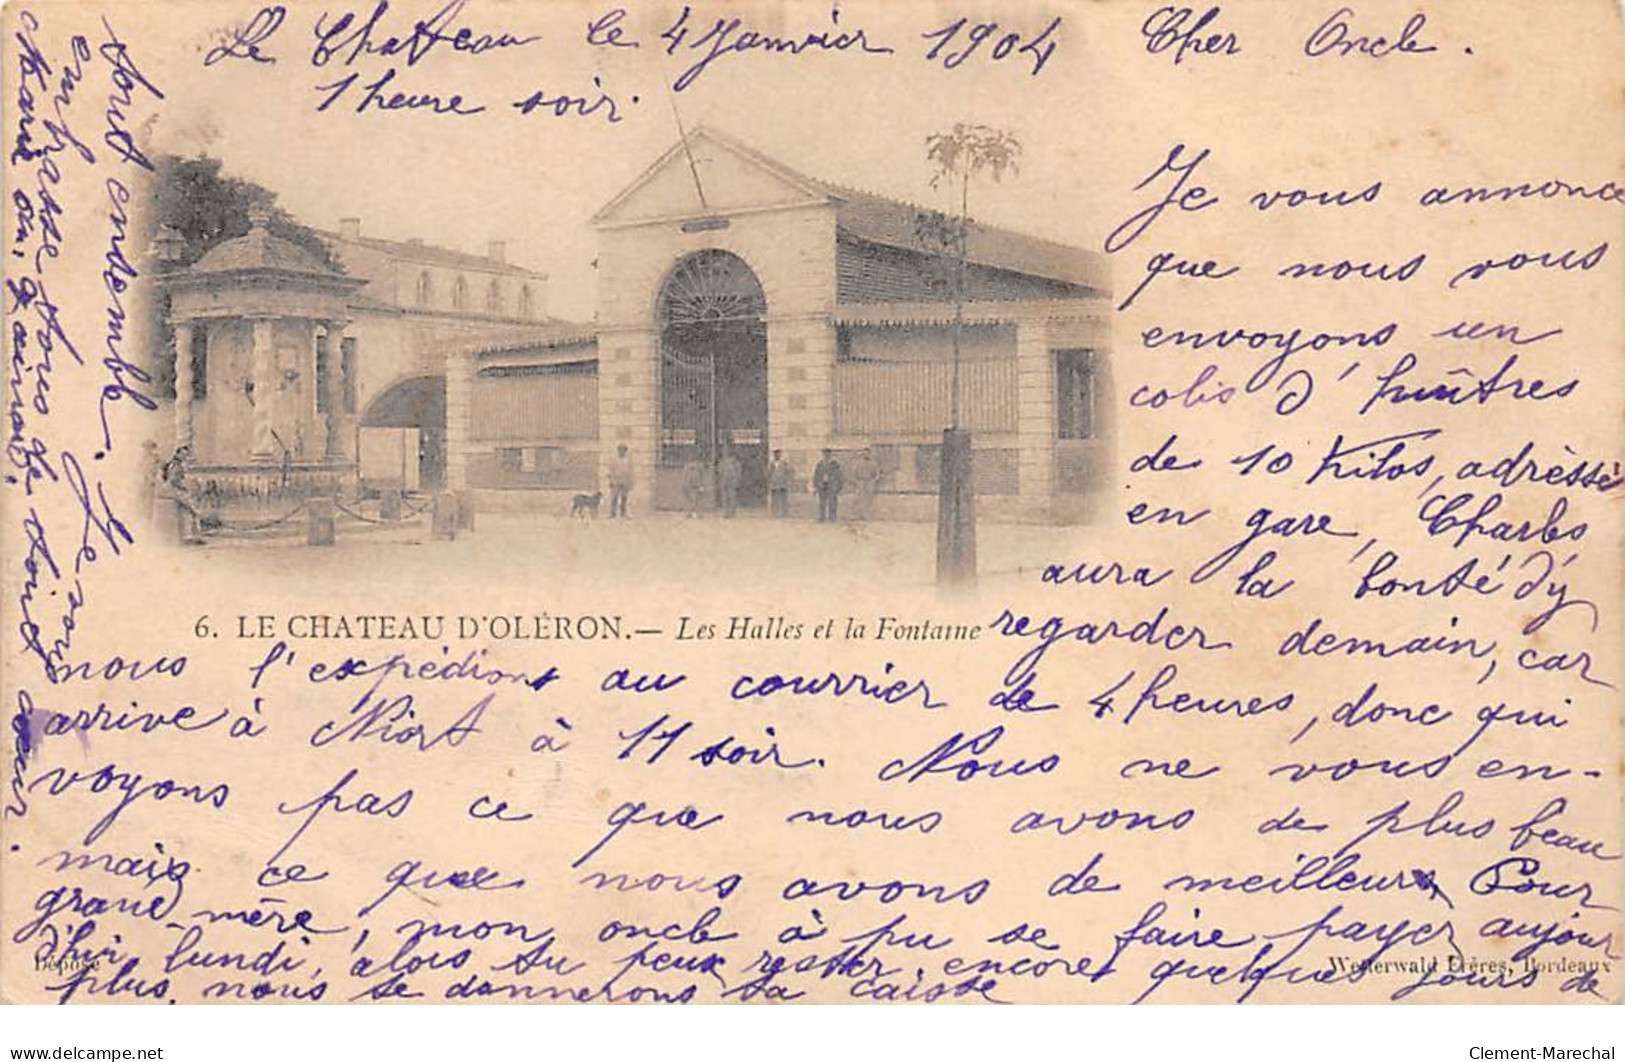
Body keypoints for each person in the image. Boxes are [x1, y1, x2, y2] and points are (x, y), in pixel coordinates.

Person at [849, 446, 879, 521]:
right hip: (860, 481)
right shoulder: (858, 462)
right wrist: (855, 481)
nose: (866, 454)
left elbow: (877, 474)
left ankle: (866, 515)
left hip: (869, 481)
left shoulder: (873, 463)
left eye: (868, 453)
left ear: (870, 453)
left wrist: (873, 481)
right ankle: (855, 514)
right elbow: (853, 472)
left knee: (868, 499)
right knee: (858, 498)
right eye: (864, 453)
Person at [814, 448, 843, 523]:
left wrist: (839, 486)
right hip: (822, 485)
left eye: (828, 453)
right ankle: (822, 517)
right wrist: (816, 485)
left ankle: (832, 518)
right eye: (824, 453)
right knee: (822, 502)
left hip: (832, 485)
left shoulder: (835, 464)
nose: (826, 455)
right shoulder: (820, 464)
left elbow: (839, 475)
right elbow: (816, 475)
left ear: (830, 454)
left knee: (832, 502)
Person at [607, 444, 633, 518]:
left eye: (623, 450)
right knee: (614, 497)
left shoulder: (628, 460)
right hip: (616, 480)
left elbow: (630, 471)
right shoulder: (614, 460)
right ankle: (613, 513)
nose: (622, 452)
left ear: (625, 451)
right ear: (618, 451)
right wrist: (611, 481)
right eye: (620, 450)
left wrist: (630, 482)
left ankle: (623, 513)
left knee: (624, 498)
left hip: (625, 480)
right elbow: (611, 470)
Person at [717, 446, 742, 518]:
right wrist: (720, 481)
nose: (725, 453)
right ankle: (726, 512)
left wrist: (736, 480)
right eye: (724, 452)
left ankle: (732, 512)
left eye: (727, 452)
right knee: (724, 498)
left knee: (731, 497)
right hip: (724, 482)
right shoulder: (722, 462)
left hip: (732, 482)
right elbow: (719, 472)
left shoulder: (734, 462)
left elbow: (738, 471)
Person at [767, 449, 792, 518]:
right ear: (773, 455)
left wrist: (787, 480)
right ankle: (775, 513)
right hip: (774, 484)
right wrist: (770, 482)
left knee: (783, 499)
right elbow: (768, 474)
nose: (777, 455)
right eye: (775, 454)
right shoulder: (771, 464)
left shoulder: (784, 463)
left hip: (782, 484)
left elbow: (789, 472)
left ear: (780, 455)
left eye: (778, 454)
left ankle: (784, 513)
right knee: (774, 499)